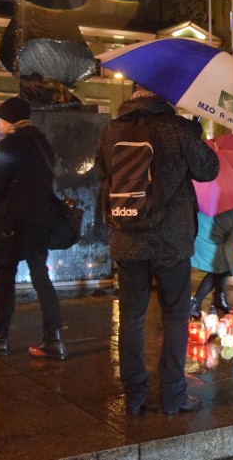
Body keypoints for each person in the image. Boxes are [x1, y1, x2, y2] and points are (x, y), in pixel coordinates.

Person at [94, 89, 219, 416]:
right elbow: (209, 169)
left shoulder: (112, 131)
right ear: (161, 96)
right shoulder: (177, 128)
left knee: (131, 318)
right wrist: (195, 132)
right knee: (176, 317)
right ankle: (173, 396)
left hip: (127, 238)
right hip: (171, 241)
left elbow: (100, 170)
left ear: (134, 94)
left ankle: (134, 396)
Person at [0, 97, 66, 360]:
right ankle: (53, 338)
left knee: (5, 278)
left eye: (0, 119)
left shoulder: (12, 144)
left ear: (10, 119)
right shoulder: (41, 143)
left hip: (11, 222)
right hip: (39, 221)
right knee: (40, 277)